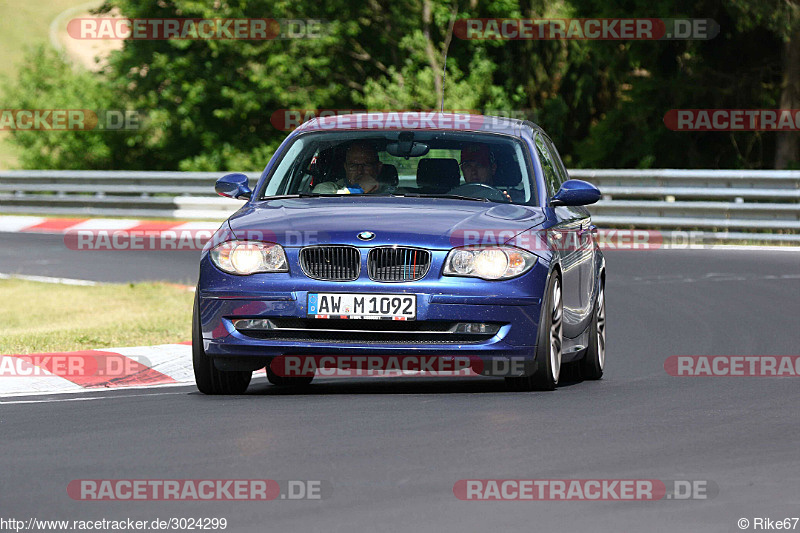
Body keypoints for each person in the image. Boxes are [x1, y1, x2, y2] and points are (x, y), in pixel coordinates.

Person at [313, 142, 384, 194]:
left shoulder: (390, 193)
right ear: (346, 168)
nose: (359, 171)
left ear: (378, 167)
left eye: (366, 165)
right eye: (353, 165)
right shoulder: (326, 189)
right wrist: (358, 189)